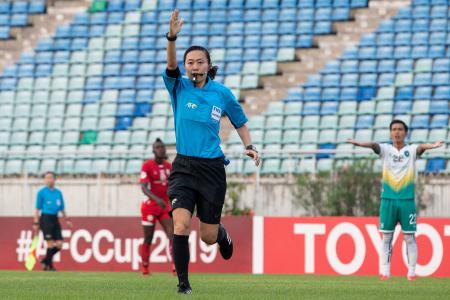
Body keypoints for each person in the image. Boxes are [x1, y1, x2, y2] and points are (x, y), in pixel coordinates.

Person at [163, 10, 260, 294]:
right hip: (183, 167)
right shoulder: (178, 87)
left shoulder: (222, 94)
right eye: (190, 62)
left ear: (208, 65)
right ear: (185, 66)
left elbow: (240, 122)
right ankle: (183, 284)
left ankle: (221, 234)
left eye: (200, 61)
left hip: (212, 170)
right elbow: (170, 65)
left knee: (206, 236)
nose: (194, 65)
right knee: (180, 224)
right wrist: (172, 38)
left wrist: (250, 146)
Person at [347, 119, 443, 281]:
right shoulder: (385, 149)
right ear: (391, 132)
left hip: (406, 201)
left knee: (409, 237)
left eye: (400, 129)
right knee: (386, 238)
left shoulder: (411, 150)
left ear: (405, 132)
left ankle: (412, 272)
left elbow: (421, 147)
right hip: (388, 200)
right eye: (394, 129)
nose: (397, 132)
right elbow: (374, 145)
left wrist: (431, 145)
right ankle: (385, 272)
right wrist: (360, 144)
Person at [139, 138, 175, 276]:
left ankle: (174, 266)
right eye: (158, 147)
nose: (161, 149)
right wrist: (156, 199)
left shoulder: (168, 166)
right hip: (149, 207)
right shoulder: (147, 165)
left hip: (164, 206)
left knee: (172, 234)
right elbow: (143, 187)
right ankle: (145, 267)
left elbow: (172, 184)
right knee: (148, 238)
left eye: (162, 147)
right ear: (154, 150)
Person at [32, 171, 72, 271]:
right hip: (46, 218)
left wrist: (67, 219)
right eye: (46, 178)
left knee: (60, 244)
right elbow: (37, 209)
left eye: (50, 178)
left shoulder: (58, 193)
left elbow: (62, 208)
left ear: (54, 179)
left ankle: (46, 261)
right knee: (49, 243)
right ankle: (50, 266)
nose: (48, 180)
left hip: (55, 218)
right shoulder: (41, 192)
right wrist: (36, 222)